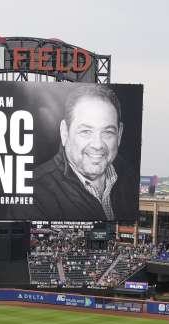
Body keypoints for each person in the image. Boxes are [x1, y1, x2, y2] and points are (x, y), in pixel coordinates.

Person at [28, 85, 135, 222]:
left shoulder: (131, 180)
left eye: (107, 132)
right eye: (85, 132)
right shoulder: (34, 191)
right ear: (64, 132)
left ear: (119, 134)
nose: (97, 145)